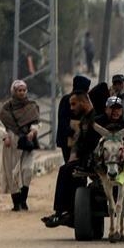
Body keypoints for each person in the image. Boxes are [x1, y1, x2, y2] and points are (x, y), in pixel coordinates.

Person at [43, 91, 101, 228]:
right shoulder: (84, 119)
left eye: (74, 104)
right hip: (84, 159)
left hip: (96, 160)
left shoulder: (96, 118)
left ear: (83, 102)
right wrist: (73, 157)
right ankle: (64, 212)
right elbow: (78, 144)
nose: (71, 108)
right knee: (66, 169)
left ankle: (66, 212)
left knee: (68, 170)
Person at [0, 80, 40, 211]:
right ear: (14, 92)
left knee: (27, 169)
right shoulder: (6, 107)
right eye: (19, 90)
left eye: (23, 90)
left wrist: (33, 131)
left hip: (27, 142)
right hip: (12, 142)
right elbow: (0, 123)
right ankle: (16, 202)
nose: (21, 93)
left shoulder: (32, 106)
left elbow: (36, 122)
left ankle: (24, 199)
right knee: (12, 172)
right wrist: (5, 137)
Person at [56, 75, 92, 162]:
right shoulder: (67, 100)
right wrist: (74, 132)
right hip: (69, 139)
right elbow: (63, 121)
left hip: (77, 140)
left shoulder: (71, 100)